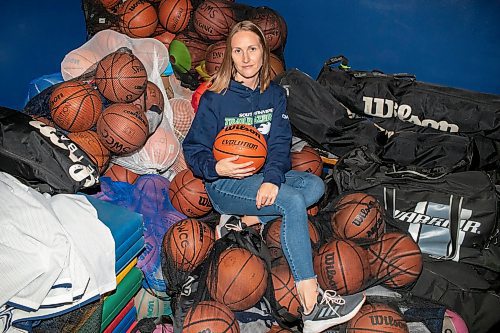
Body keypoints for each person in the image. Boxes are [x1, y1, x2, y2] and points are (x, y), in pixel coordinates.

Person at [182, 20, 365, 333]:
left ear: (263, 53)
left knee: (315, 185)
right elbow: (193, 149)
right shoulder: (216, 98)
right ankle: (311, 306)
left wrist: (272, 178)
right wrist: (217, 168)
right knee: (292, 201)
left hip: (257, 180)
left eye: (252, 49)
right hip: (225, 185)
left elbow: (280, 144)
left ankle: (244, 221)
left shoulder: (275, 95)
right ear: (229, 55)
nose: (246, 57)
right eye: (238, 50)